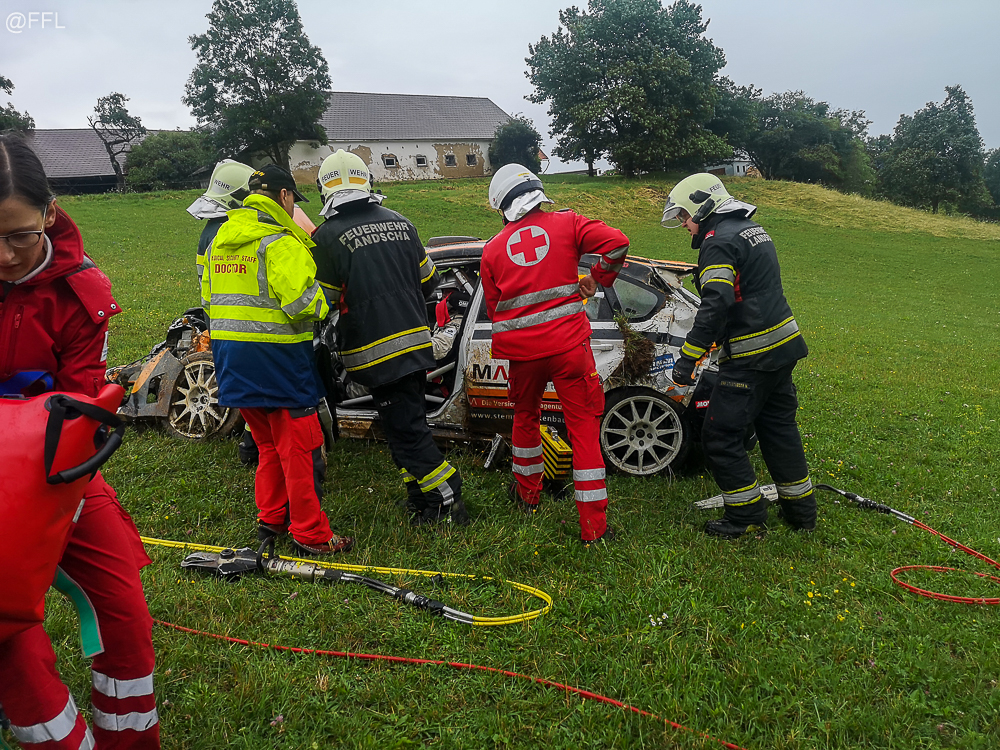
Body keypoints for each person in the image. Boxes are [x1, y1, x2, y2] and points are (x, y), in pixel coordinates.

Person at [0, 134, 160, 747]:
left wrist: (51, 508)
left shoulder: (82, 293)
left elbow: (79, 410)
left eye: (19, 235)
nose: (6, 255)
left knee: (123, 606)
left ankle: (129, 737)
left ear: (49, 213)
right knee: (11, 632)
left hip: (56, 469)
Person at [202, 163, 353, 555]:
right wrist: (327, 301)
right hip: (278, 359)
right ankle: (311, 534)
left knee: (267, 444)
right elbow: (303, 304)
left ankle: (271, 521)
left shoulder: (220, 240)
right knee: (300, 448)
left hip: (231, 360)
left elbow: (208, 299)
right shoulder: (281, 242)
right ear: (284, 196)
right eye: (293, 200)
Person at [311, 149, 468, 526]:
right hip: (416, 346)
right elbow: (430, 281)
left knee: (408, 434)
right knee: (402, 430)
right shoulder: (401, 222)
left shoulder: (326, 236)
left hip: (376, 355)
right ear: (367, 182)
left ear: (324, 189)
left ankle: (447, 500)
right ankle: (420, 497)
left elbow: (322, 303)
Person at [480, 163, 629, 545]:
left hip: (523, 356)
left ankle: (527, 496)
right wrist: (596, 277)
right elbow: (617, 242)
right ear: (538, 193)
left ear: (502, 206)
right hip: (569, 349)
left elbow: (495, 310)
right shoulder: (568, 223)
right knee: (583, 428)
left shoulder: (492, 250)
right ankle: (594, 527)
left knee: (525, 418)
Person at [662, 172, 815, 538]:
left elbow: (716, 303)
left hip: (751, 356)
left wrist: (689, 357)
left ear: (702, 207)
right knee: (778, 429)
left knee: (720, 435)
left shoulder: (717, 241)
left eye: (684, 215)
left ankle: (745, 517)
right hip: (783, 347)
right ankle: (801, 513)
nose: (683, 224)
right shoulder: (750, 229)